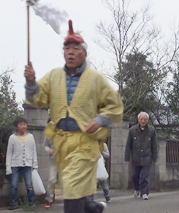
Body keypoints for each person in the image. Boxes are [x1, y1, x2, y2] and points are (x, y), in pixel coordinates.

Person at [24, 20, 123, 213]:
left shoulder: (95, 79)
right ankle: (92, 207)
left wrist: (100, 120)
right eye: (66, 48)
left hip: (84, 142)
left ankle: (85, 206)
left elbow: (115, 105)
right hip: (61, 143)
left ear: (84, 53)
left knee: (73, 188)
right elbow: (36, 99)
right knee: (72, 186)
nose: (70, 51)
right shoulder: (53, 76)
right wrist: (30, 82)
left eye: (75, 48)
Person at [6, 117, 38, 210]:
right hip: (15, 165)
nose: (23, 126)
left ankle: (31, 203)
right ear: (16, 127)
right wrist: (8, 168)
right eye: (21, 124)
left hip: (27, 165)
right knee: (14, 185)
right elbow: (9, 153)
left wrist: (35, 165)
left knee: (29, 185)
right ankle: (13, 204)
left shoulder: (31, 137)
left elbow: (33, 152)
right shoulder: (12, 138)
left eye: (25, 124)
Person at [124, 112, 158, 200]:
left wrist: (154, 157)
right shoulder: (132, 130)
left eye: (145, 119)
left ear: (147, 120)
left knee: (144, 176)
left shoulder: (151, 130)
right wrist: (127, 156)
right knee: (134, 175)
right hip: (136, 157)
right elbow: (128, 144)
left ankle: (144, 193)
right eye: (141, 119)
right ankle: (137, 189)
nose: (143, 121)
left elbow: (154, 145)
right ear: (138, 120)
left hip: (147, 157)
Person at [44, 137, 57, 209]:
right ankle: (49, 199)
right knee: (52, 179)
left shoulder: (67, 130)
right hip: (53, 161)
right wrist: (48, 150)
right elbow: (45, 145)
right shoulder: (50, 134)